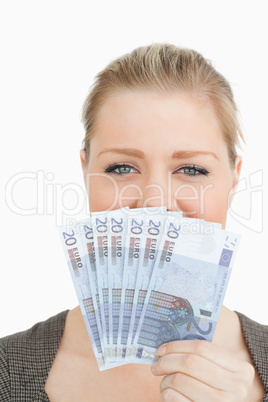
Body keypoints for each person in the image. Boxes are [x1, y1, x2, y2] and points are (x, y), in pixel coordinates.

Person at [0, 43, 267, 401]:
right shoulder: (6, 369)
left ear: (234, 179)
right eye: (122, 168)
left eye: (192, 169)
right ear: (85, 171)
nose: (155, 203)